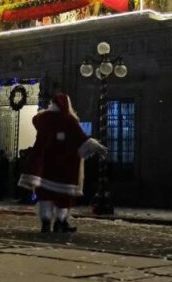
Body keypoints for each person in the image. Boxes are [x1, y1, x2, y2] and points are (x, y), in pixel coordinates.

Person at [18, 93, 108, 233]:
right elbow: (82, 138)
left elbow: (35, 119)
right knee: (63, 197)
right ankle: (61, 222)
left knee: (45, 195)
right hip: (64, 167)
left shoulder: (42, 118)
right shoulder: (69, 120)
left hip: (45, 165)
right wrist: (95, 145)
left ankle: (46, 222)